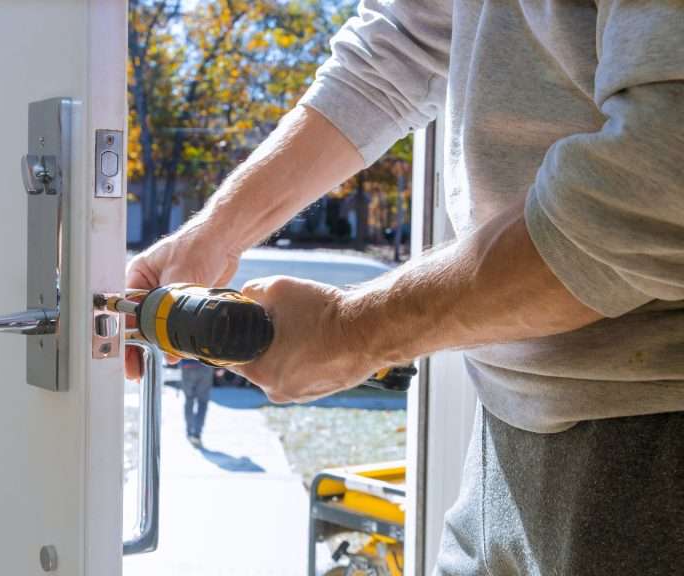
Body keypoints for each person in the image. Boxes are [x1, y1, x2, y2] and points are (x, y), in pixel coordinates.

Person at [126, 2, 684, 574]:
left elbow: (661, 179)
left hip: (650, 445)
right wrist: (216, 232)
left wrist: (352, 331)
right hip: (502, 432)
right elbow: (397, 44)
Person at [179, 359, 214, 446]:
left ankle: (189, 431)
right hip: (205, 366)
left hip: (187, 365)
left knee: (189, 400)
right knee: (202, 402)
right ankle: (196, 434)